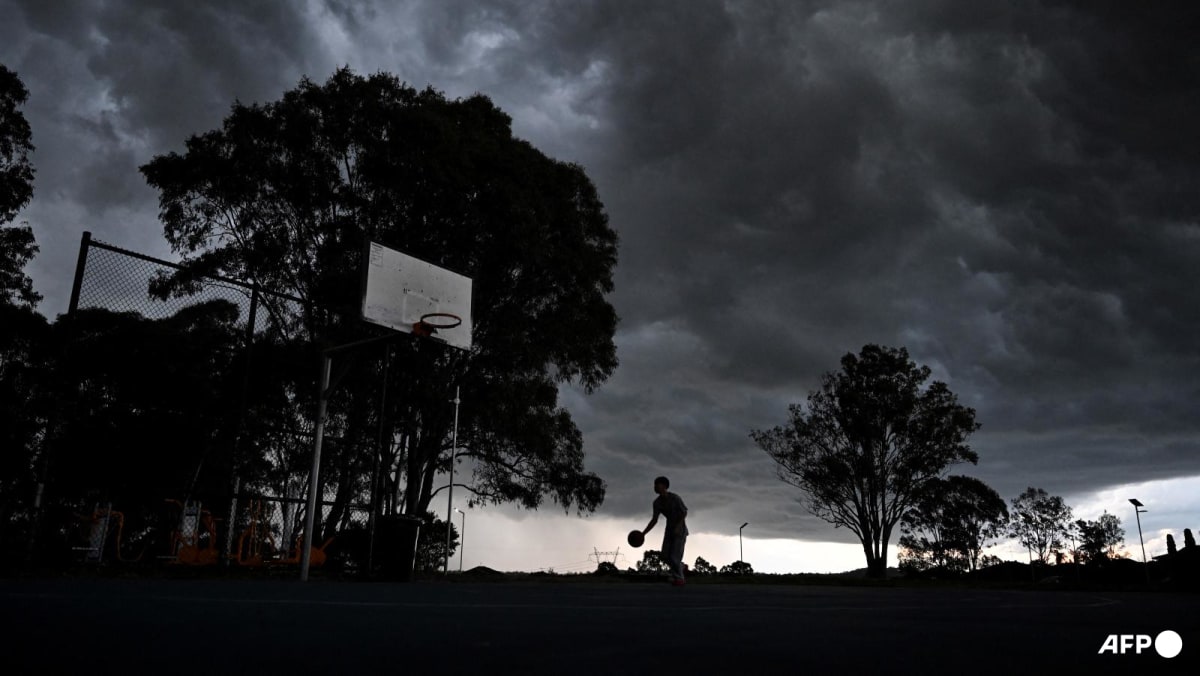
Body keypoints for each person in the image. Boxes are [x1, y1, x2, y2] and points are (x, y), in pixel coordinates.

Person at [641, 476, 688, 586]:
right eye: (654, 484)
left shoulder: (675, 498)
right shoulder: (657, 503)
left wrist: (678, 526)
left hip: (680, 530)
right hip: (669, 529)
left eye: (657, 484)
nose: (655, 486)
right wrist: (643, 533)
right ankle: (681, 567)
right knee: (664, 556)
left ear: (664, 486)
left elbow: (684, 512)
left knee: (674, 556)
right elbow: (654, 520)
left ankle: (680, 578)